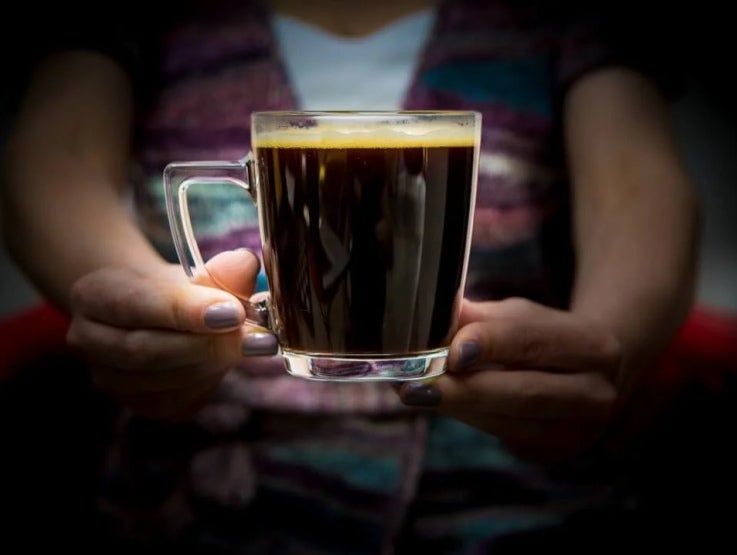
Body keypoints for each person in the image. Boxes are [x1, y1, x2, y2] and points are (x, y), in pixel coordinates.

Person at [1, 0, 701, 552]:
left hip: (516, 504)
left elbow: (637, 189)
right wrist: (160, 324)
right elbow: (49, 161)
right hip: (208, 504)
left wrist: (600, 351)